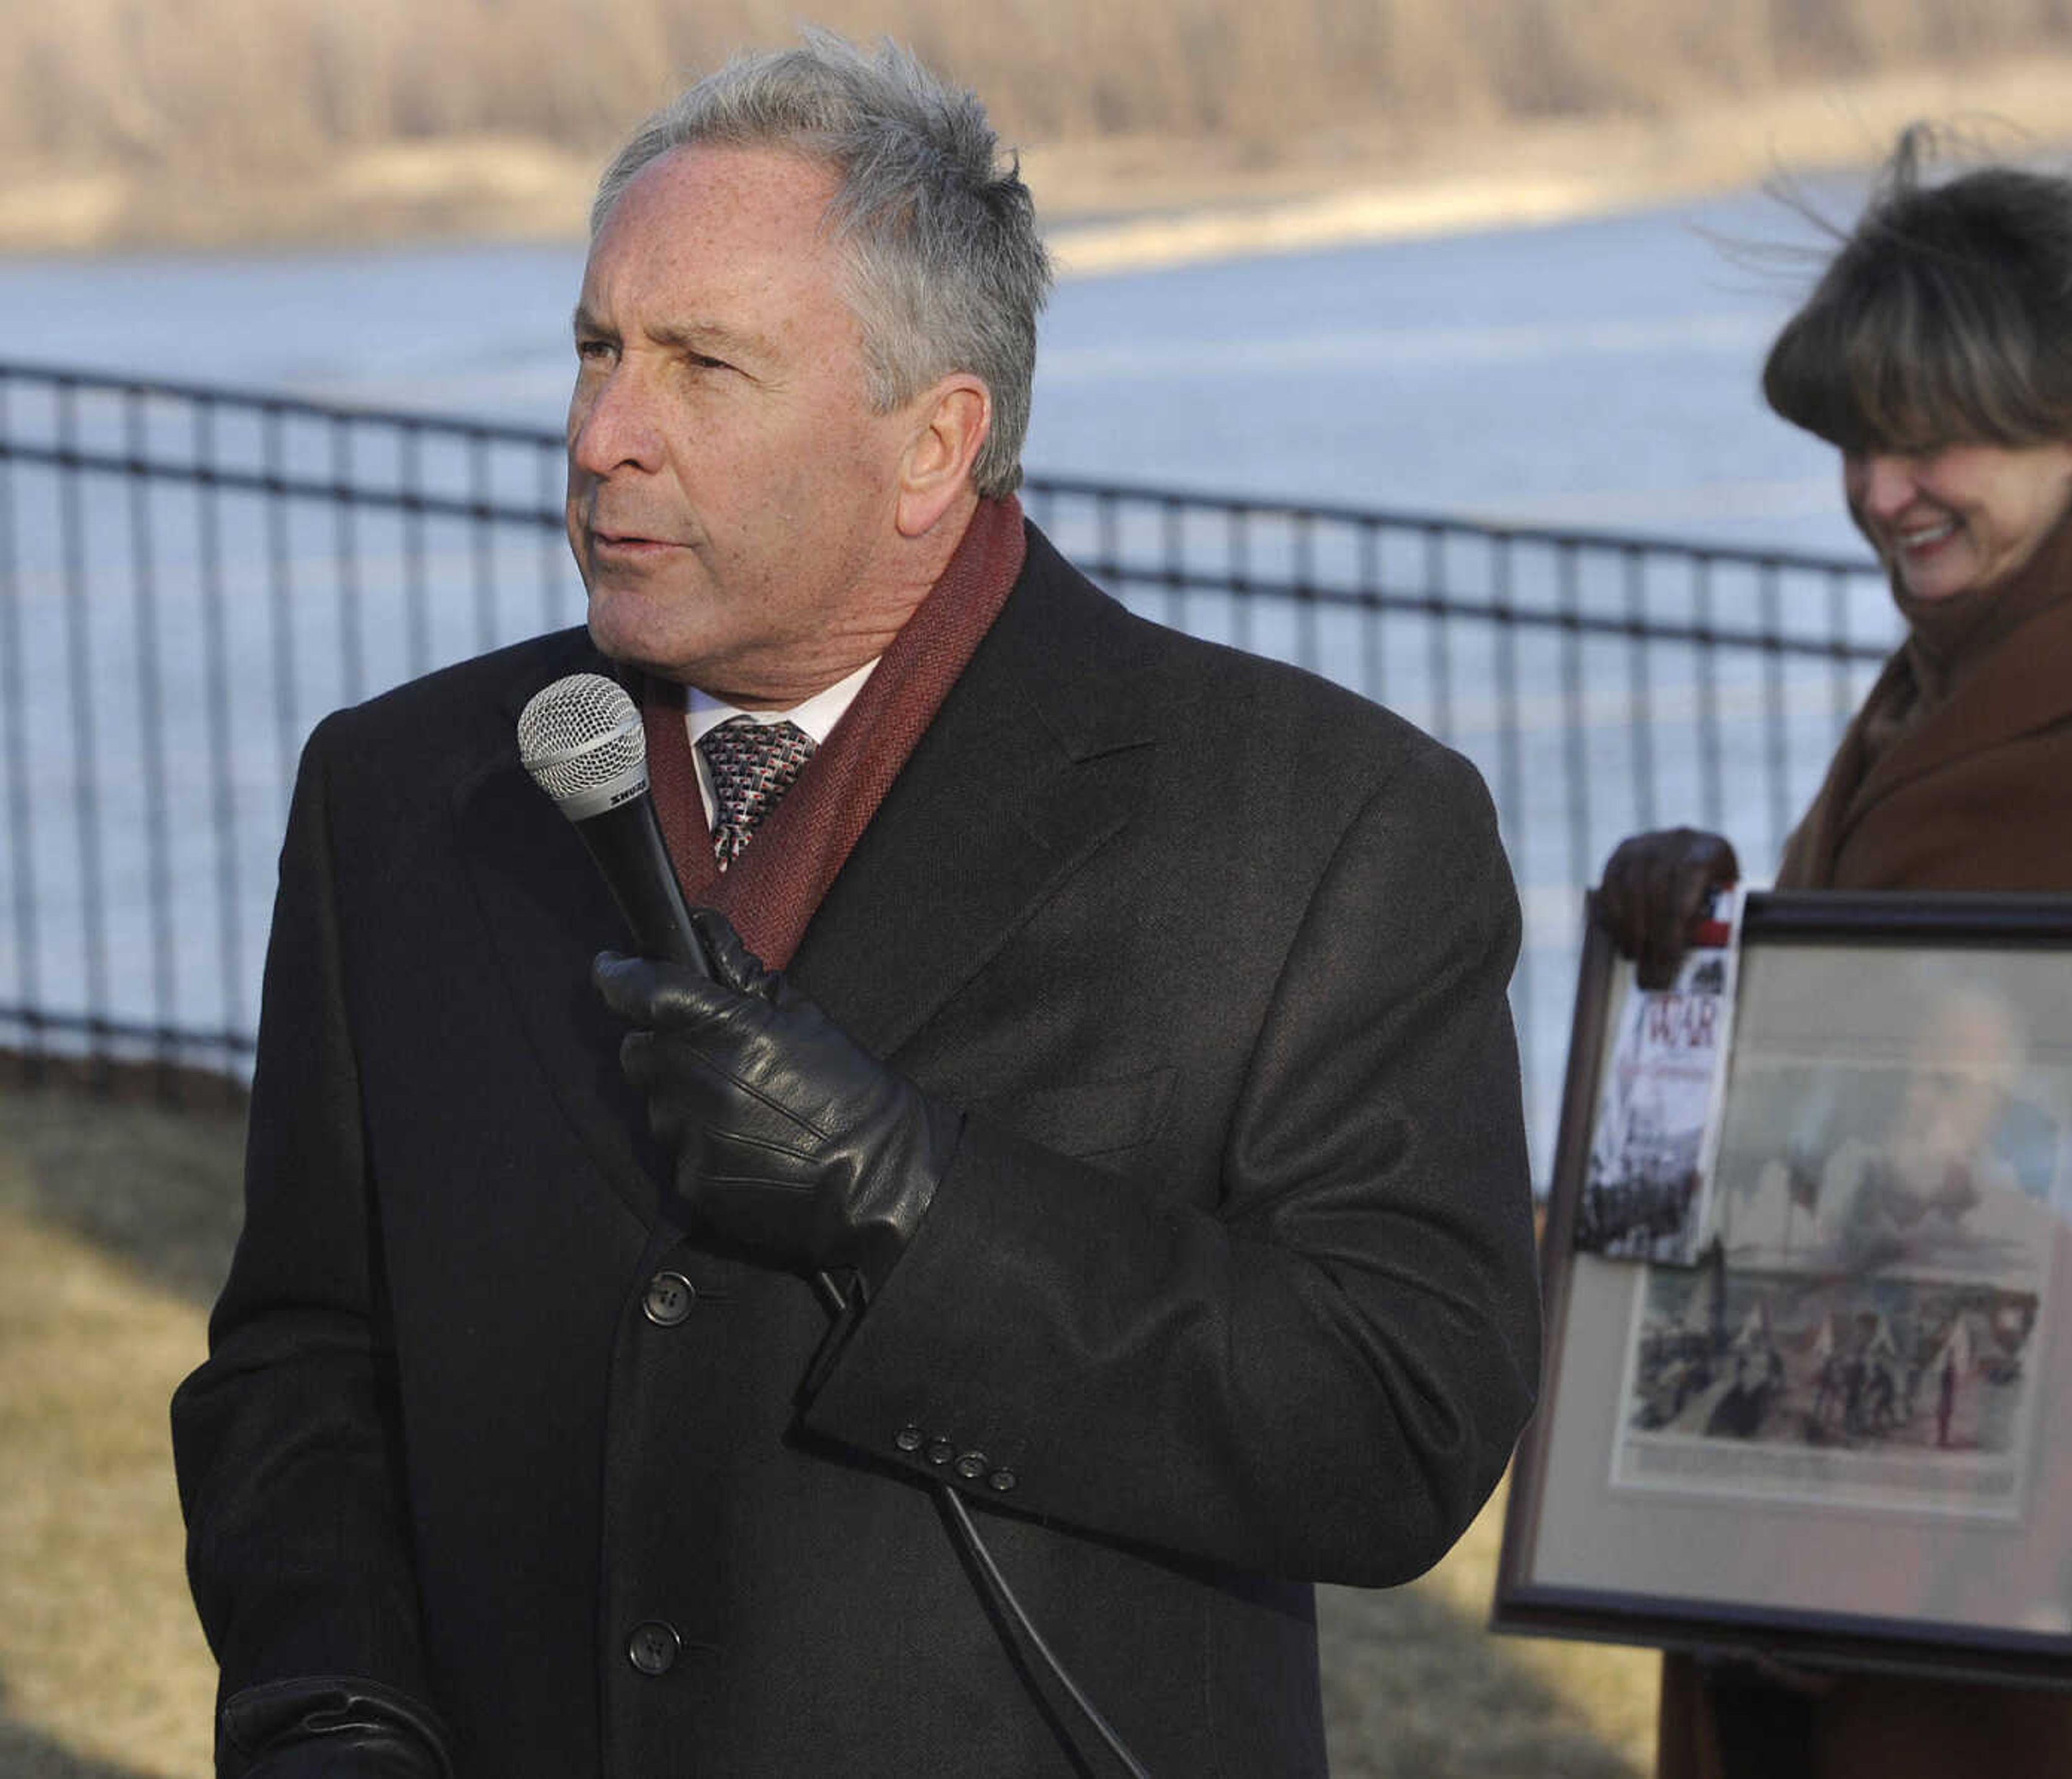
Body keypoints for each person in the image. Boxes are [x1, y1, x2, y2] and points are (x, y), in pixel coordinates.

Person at [169, 33, 1542, 1778]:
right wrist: (332, 1711)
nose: (602, 434)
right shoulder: (403, 793)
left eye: (702, 365)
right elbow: (303, 1358)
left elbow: (1398, 1423)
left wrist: (919, 1205)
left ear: (931, 446)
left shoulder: (1320, 823)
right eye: (596, 348)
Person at [1596, 127, 2072, 1778]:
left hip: (2016, 1648)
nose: (1880, 491)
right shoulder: (1948, 673)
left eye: (1932, 437)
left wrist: (1862, 1551)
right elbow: (1828, 1102)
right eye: (1861, 442)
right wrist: (1686, 958)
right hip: (1811, 1565)